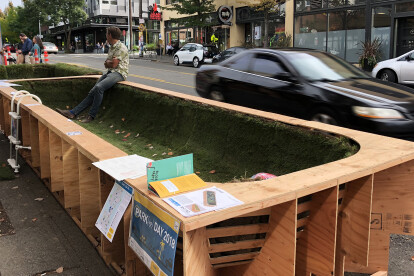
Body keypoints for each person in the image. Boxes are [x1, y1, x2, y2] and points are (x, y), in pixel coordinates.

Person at [56, 27, 129, 123]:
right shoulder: (112, 47)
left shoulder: (121, 47)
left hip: (119, 73)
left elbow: (114, 64)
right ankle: (72, 113)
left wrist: (109, 62)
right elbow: (107, 64)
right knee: (93, 91)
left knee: (99, 88)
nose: (106, 36)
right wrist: (109, 62)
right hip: (110, 72)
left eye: (107, 34)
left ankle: (91, 116)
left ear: (110, 35)